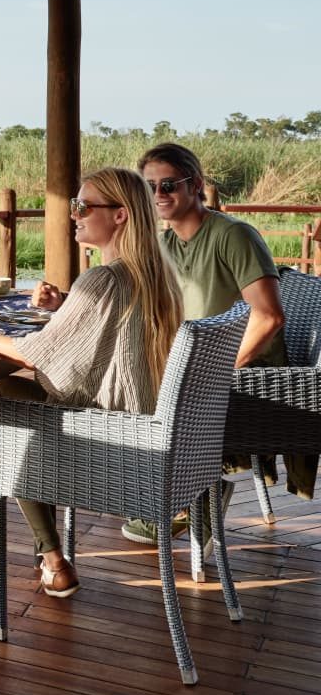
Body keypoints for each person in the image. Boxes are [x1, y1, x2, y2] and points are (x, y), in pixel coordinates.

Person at [0, 167, 183, 597]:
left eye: (84, 206)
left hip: (115, 444)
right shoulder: (155, 274)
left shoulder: (104, 278)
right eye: (74, 205)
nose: (74, 215)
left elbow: (37, 355)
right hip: (150, 435)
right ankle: (48, 559)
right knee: (15, 395)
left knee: (18, 420)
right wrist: (67, 304)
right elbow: (102, 336)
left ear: (120, 215)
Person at [116, 143, 286, 546]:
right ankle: (177, 497)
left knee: (155, 396)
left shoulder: (233, 235)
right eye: (149, 186)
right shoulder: (168, 246)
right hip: (198, 367)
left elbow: (269, 317)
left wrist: (216, 373)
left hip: (251, 371)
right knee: (127, 383)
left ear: (195, 186)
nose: (158, 194)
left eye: (168, 184)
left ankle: (193, 498)